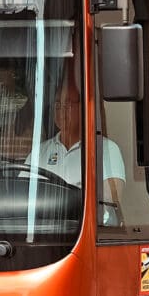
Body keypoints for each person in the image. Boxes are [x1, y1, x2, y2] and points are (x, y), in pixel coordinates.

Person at [38, 76, 125, 205]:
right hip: (45, 223)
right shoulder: (40, 151)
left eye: (67, 104)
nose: (61, 111)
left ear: (82, 108)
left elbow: (111, 199)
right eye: (57, 105)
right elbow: (22, 193)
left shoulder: (106, 149)